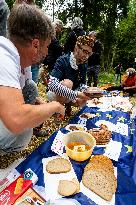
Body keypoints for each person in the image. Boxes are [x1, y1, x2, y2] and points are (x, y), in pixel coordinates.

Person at [0, 4, 65, 154]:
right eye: (47, 46)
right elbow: (16, 120)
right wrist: (54, 106)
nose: (47, 51)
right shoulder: (3, 56)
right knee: (24, 132)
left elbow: (25, 94)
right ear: (36, 44)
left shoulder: (21, 60)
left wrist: (42, 106)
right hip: (11, 119)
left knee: (30, 88)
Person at [47, 35, 95, 115]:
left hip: (71, 93)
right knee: (68, 83)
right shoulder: (62, 60)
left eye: (89, 54)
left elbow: (82, 84)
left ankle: (67, 105)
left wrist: (90, 91)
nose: (86, 56)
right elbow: (51, 85)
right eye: (85, 51)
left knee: (88, 92)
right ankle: (58, 111)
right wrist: (77, 94)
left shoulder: (84, 64)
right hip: (54, 93)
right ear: (76, 48)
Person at [41, 19, 64, 85]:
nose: (61, 30)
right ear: (57, 27)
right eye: (61, 28)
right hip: (50, 59)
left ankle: (48, 85)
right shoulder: (51, 34)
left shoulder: (53, 34)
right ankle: (50, 88)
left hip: (50, 58)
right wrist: (60, 47)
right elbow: (54, 45)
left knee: (47, 76)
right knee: (50, 76)